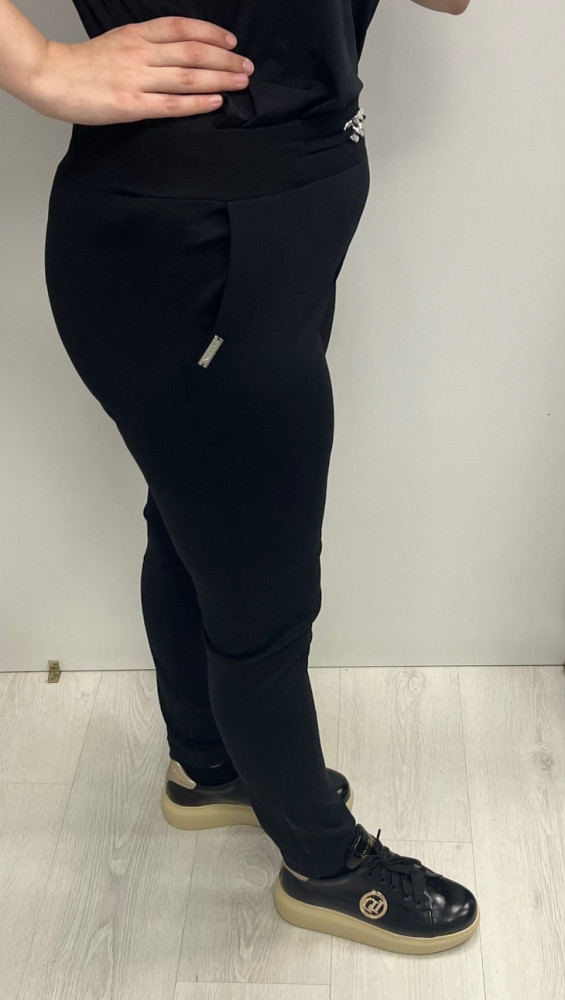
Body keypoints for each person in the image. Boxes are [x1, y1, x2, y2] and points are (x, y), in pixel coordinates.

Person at [1, 0, 479, 955]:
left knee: (196, 520)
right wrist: (41, 66)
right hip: (187, 237)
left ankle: (207, 766)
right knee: (264, 588)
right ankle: (322, 865)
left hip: (284, 221)